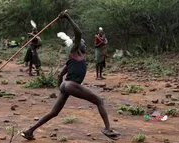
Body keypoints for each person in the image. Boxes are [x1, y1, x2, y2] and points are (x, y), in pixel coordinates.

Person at [21, 11, 120, 141]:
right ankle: (107, 128)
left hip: (66, 85)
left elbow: (60, 75)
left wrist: (61, 88)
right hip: (71, 85)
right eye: (83, 43)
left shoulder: (74, 58)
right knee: (99, 101)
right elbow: (79, 33)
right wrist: (68, 17)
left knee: (54, 112)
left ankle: (30, 131)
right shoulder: (75, 51)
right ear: (77, 44)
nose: (84, 44)